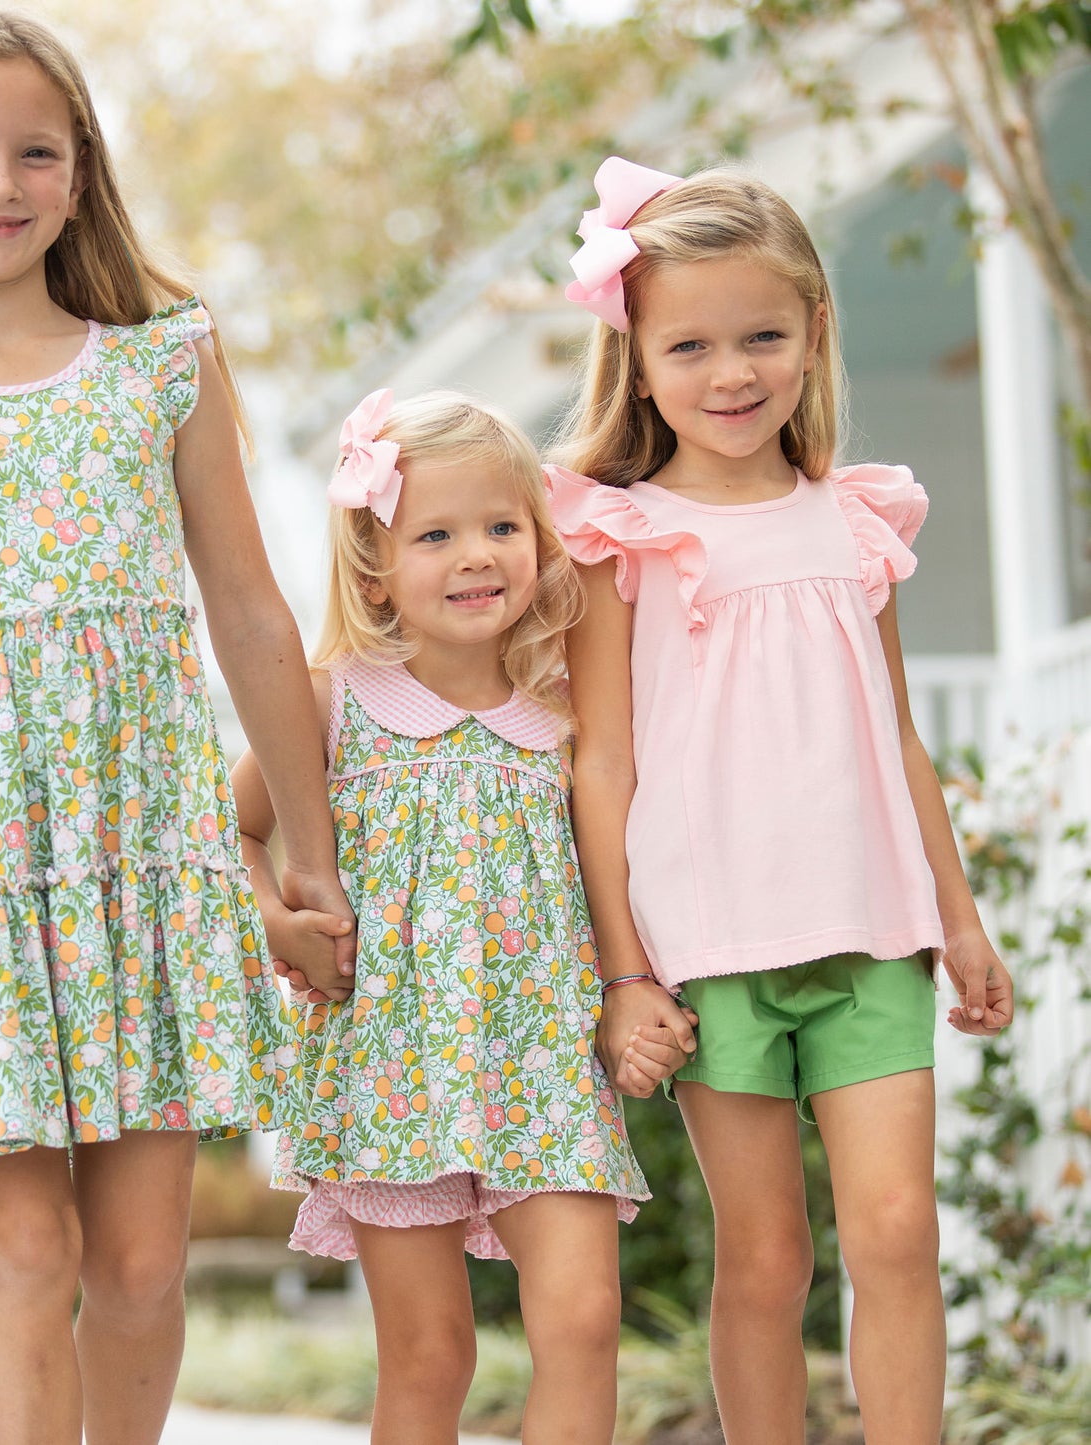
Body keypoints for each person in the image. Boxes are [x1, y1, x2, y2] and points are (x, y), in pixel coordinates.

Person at [0, 12, 351, 1443]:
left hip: (147, 854)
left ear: (81, 170)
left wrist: (309, 846)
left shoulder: (162, 364)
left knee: (144, 1266)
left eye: (37, 151)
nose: (0, 180)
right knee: (25, 1256)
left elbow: (247, 605)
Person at [548, 156, 1015, 1445]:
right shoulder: (618, 537)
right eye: (689, 344)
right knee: (763, 1263)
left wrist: (958, 919)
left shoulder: (857, 522)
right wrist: (622, 971)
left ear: (813, 328)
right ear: (635, 360)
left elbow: (900, 736)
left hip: (872, 930)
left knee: (895, 1232)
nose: (731, 371)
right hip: (707, 948)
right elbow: (601, 763)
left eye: (762, 334)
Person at [232, 389, 686, 1445]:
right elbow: (224, 834)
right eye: (433, 533)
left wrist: (638, 985)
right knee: (431, 1353)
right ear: (375, 562)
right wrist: (274, 921)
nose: (474, 555)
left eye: (499, 526)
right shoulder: (331, 699)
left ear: (537, 538)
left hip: (545, 1061)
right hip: (391, 1068)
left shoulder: (573, 713)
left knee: (582, 1320)